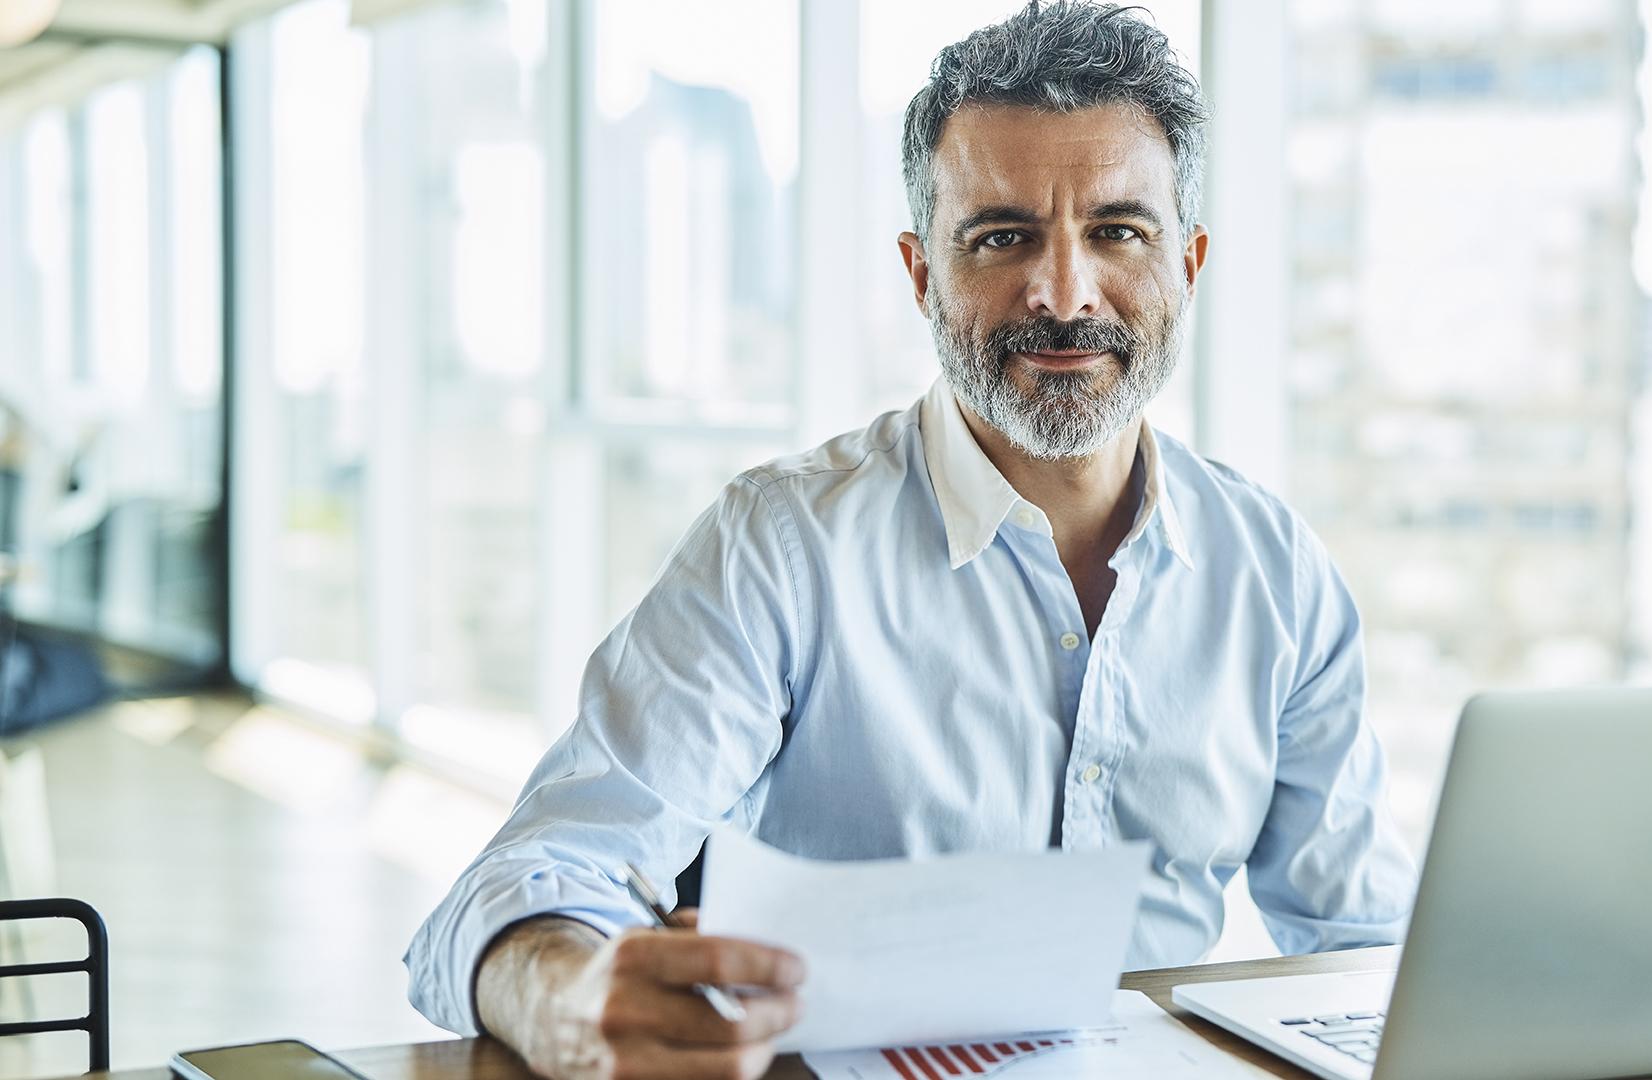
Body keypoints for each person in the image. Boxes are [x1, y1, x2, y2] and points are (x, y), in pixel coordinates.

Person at [405, 3, 1415, 1077]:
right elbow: (541, 872)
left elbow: (1363, 943)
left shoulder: (1277, 572)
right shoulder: (782, 547)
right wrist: (563, 993)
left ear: (1190, 264)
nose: (1062, 293)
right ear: (922, 272)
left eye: (1119, 231)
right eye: (1001, 236)